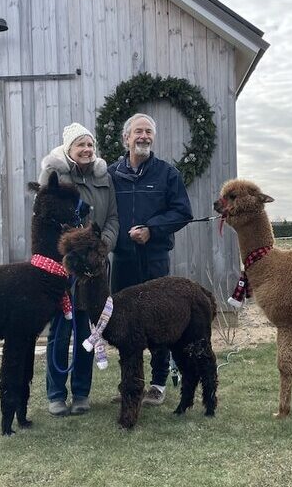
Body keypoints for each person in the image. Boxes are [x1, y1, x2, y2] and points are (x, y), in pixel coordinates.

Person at [108, 112, 193, 406]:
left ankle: (157, 384)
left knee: (159, 322)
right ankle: (130, 384)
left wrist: (152, 229)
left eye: (148, 132)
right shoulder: (111, 175)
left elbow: (183, 212)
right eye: (138, 131)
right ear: (126, 138)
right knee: (124, 325)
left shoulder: (167, 174)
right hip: (123, 261)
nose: (143, 136)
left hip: (155, 260)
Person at [38, 122, 119, 416]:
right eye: (80, 145)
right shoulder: (56, 178)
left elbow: (112, 218)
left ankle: (82, 393)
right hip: (65, 266)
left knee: (87, 328)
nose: (86, 150)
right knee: (60, 330)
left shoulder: (103, 178)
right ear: (68, 149)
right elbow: (46, 220)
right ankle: (56, 394)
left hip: (93, 268)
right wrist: (71, 249)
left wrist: (102, 246)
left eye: (90, 145)